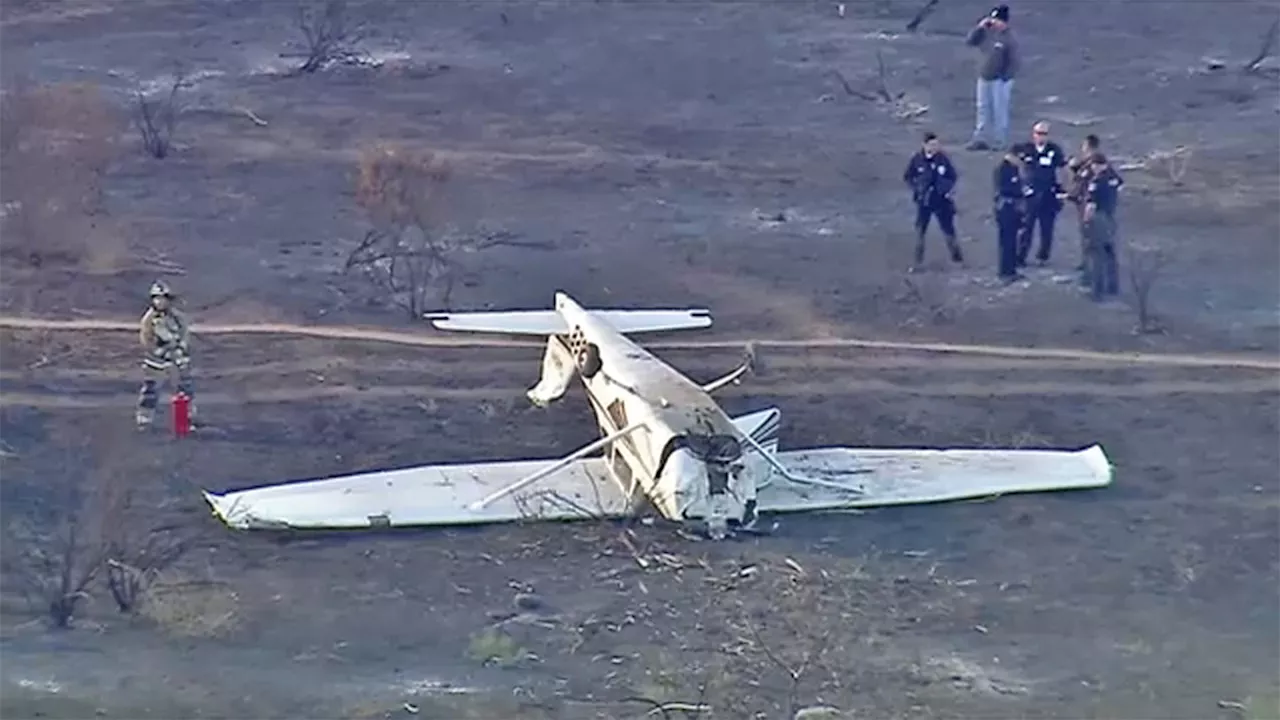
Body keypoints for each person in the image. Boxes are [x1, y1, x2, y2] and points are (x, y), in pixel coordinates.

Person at [137, 279, 195, 429]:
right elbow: (146, 339)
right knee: (152, 388)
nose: (160, 302)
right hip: (156, 362)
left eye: (163, 299)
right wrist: (160, 352)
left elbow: (184, 333)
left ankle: (187, 416)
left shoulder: (177, 317)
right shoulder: (149, 320)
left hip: (177, 357)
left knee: (184, 387)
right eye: (157, 299)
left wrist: (181, 348)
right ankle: (145, 418)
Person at [902, 131, 964, 272]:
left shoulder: (943, 159)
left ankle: (957, 259)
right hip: (923, 202)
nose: (935, 147)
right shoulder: (917, 159)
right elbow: (908, 177)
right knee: (920, 232)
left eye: (937, 144)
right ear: (924, 145)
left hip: (941, 201)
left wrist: (945, 188)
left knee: (948, 230)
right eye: (932, 144)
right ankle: (917, 262)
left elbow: (952, 176)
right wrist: (917, 188)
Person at [1012, 121, 1068, 266]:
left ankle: (1043, 257)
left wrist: (1062, 189)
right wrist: (1020, 186)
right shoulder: (1026, 149)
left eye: (1044, 134)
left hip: (1048, 193)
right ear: (1033, 134)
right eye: (1038, 133)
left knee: (1047, 228)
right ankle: (1020, 256)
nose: (1041, 137)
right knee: (1026, 227)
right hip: (1030, 194)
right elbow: (1016, 166)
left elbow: (1063, 169)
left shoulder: (1054, 150)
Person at [964, 5, 1020, 152]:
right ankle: (980, 139)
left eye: (997, 20)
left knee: (999, 111)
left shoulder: (1009, 37)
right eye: (993, 19)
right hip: (984, 77)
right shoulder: (986, 32)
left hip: (1000, 80)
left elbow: (1014, 60)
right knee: (982, 109)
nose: (994, 23)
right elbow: (970, 41)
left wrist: (1005, 78)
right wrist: (979, 27)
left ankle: (999, 141)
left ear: (1005, 22)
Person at [1081, 153, 1123, 301]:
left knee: (1097, 254)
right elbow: (1120, 185)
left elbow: (1091, 205)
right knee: (1110, 252)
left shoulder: (1097, 182)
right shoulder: (1113, 176)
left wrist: (1086, 221)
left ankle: (1097, 291)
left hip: (1098, 218)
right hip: (1110, 217)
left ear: (1097, 164)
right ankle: (1113, 287)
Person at [1064, 134, 1103, 281]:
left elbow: (1082, 182)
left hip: (1088, 206)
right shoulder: (1087, 162)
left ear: (1088, 146)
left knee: (1089, 237)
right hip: (1084, 204)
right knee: (1086, 237)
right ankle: (1086, 264)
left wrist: (1071, 194)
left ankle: (1090, 270)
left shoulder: (1093, 163)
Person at [993, 148, 1031, 283]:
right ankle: (1004, 272)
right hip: (1005, 209)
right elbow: (1003, 189)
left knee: (1013, 241)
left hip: (1014, 209)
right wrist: (1020, 191)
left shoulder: (1014, 169)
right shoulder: (1002, 170)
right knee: (1006, 242)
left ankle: (1011, 270)